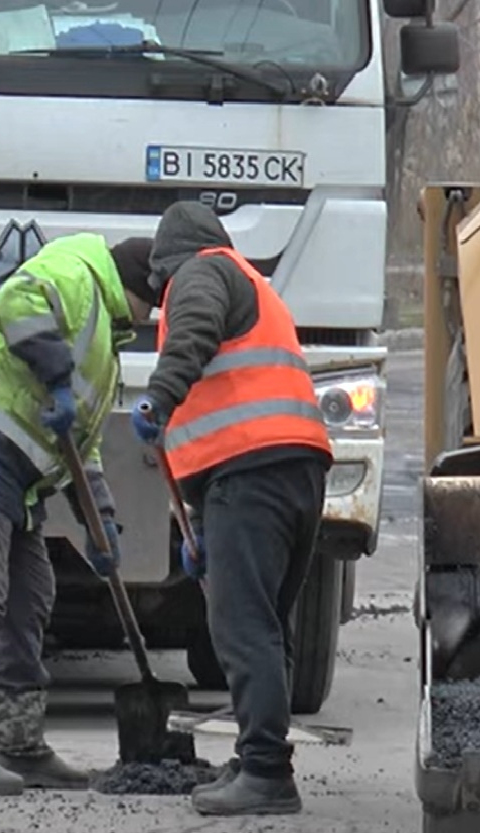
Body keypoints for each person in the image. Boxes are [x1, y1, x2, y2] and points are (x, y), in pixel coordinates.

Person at [0, 232, 159, 796]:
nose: (150, 318)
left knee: (31, 595)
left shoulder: (106, 341)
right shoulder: (77, 273)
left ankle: (20, 743)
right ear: (136, 288)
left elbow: (82, 441)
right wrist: (53, 372)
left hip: (16, 474)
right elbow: (15, 300)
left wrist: (100, 518)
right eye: (153, 302)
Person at [129, 201, 332, 817]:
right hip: (293, 470)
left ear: (166, 261)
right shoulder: (256, 287)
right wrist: (201, 527)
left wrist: (157, 400)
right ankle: (259, 755)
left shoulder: (201, 272)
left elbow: (191, 334)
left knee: (242, 626)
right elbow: (231, 396)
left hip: (253, 474)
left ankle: (267, 773)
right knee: (266, 624)